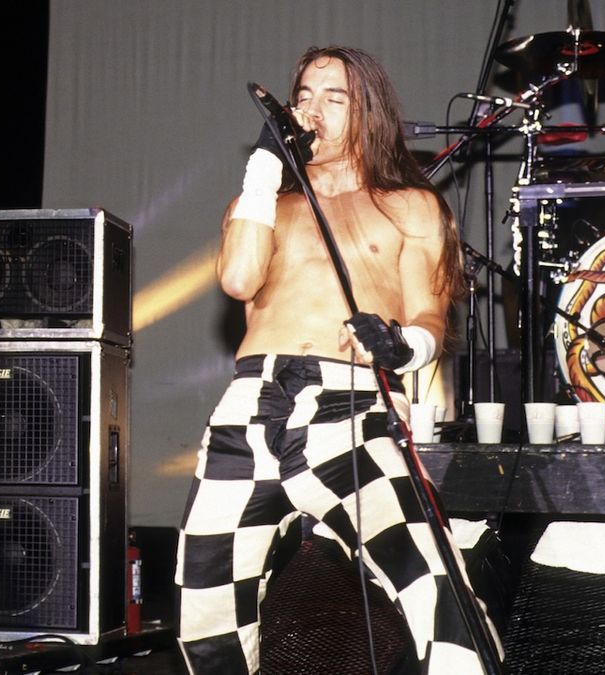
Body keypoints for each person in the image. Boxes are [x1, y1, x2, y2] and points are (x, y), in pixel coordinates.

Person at [174, 46, 502, 673]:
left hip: (348, 405)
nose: (313, 111)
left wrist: (406, 344)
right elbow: (240, 280)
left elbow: (431, 312)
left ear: (366, 111)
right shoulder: (266, 204)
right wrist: (265, 170)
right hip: (250, 408)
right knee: (205, 609)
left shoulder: (408, 205)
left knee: (436, 587)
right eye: (303, 96)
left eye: (334, 98)